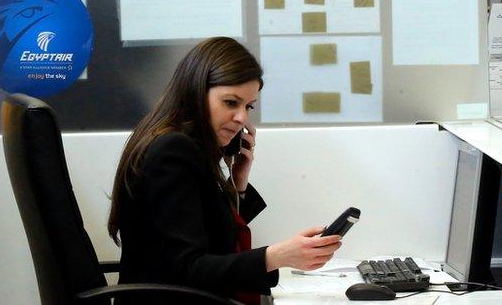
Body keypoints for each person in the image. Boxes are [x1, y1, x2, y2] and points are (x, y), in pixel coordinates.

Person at [107, 37, 342, 304]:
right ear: (196, 92)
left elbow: (206, 231)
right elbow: (189, 269)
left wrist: (237, 184)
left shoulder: (177, 143)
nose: (242, 117)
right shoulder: (172, 151)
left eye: (248, 106)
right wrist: (278, 256)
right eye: (231, 102)